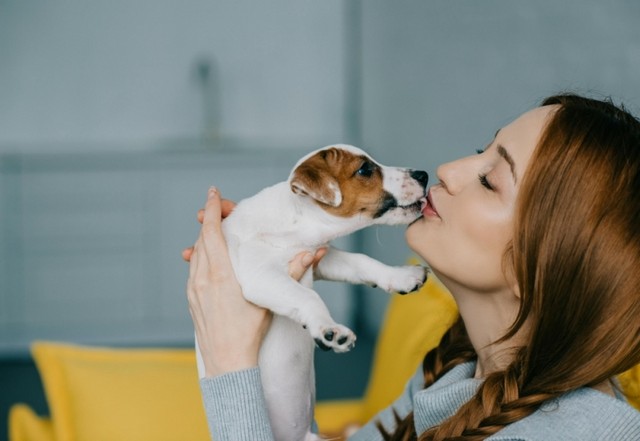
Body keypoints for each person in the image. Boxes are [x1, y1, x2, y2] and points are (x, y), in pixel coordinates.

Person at [182, 94, 640, 440]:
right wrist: (277, 241)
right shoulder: (458, 374)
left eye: (489, 180)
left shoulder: (576, 433)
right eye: (482, 148)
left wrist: (229, 363)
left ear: (541, 268)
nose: (448, 168)